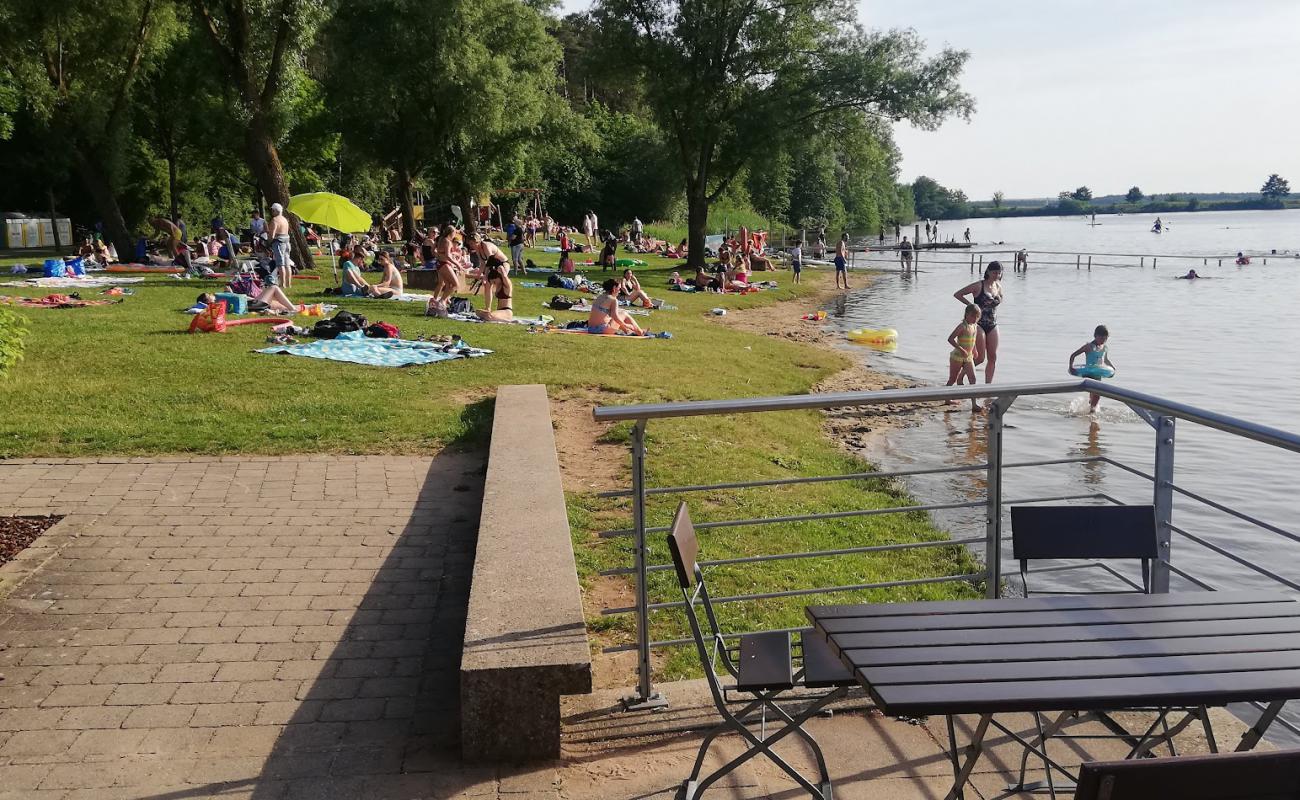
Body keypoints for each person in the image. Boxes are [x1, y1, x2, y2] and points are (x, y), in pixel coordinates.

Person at [954, 262, 1004, 387]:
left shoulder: (998, 286)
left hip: (993, 323)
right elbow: (958, 294)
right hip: (979, 323)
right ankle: (960, 376)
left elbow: (1000, 299)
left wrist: (997, 300)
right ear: (988, 272)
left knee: (993, 357)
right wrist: (971, 307)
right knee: (980, 358)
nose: (996, 275)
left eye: (999, 273)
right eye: (994, 272)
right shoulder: (979, 285)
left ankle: (988, 386)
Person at [946, 304, 986, 411]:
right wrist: (961, 349)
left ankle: (974, 404)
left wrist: (975, 350)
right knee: (953, 379)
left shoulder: (975, 326)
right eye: (973, 316)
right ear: (966, 315)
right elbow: (950, 339)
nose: (975, 319)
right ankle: (946, 398)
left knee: (973, 378)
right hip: (957, 356)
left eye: (977, 317)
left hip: (968, 357)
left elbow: (972, 340)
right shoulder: (962, 326)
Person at [1068, 325, 1116, 411]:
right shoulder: (1089, 346)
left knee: (1094, 395)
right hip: (1089, 373)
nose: (1103, 341)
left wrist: (1112, 368)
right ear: (1095, 336)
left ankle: (1090, 409)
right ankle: (1092, 412)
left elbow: (1105, 360)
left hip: (1098, 373)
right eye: (1101, 339)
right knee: (1097, 394)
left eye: (1105, 339)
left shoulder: (1104, 348)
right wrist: (1071, 367)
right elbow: (1073, 355)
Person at [268, 202, 292, 288]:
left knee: (280, 264)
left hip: (279, 242)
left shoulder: (275, 220)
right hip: (287, 241)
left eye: (272, 210)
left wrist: (268, 243)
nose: (272, 212)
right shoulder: (285, 220)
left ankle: (283, 284)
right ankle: (289, 284)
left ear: (275, 210)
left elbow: (272, 235)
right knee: (287, 263)